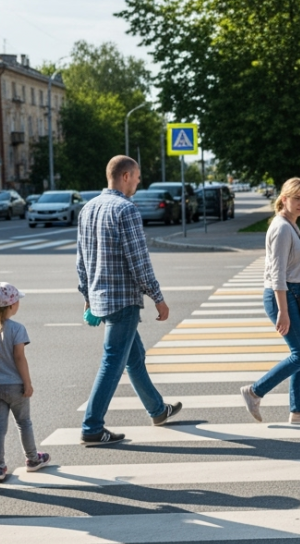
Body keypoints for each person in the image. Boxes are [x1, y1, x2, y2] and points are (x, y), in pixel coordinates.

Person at [76, 155, 182, 445]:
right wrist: (158, 298)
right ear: (125, 176)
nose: (138, 182)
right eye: (136, 177)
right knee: (113, 360)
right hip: (123, 300)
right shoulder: (126, 209)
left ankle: (158, 410)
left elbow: (81, 260)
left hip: (101, 297)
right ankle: (92, 427)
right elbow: (139, 261)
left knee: (134, 358)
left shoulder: (88, 208)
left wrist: (87, 295)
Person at [240, 178, 300, 425]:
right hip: (284, 295)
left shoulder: (290, 224)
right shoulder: (281, 228)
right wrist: (283, 310)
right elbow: (277, 273)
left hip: (294, 294)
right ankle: (255, 391)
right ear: (284, 198)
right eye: (297, 198)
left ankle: (298, 411)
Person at [0, 282, 51, 482]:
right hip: (15, 385)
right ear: (10, 306)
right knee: (24, 423)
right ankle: (33, 459)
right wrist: (28, 383)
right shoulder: (17, 329)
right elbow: (19, 358)